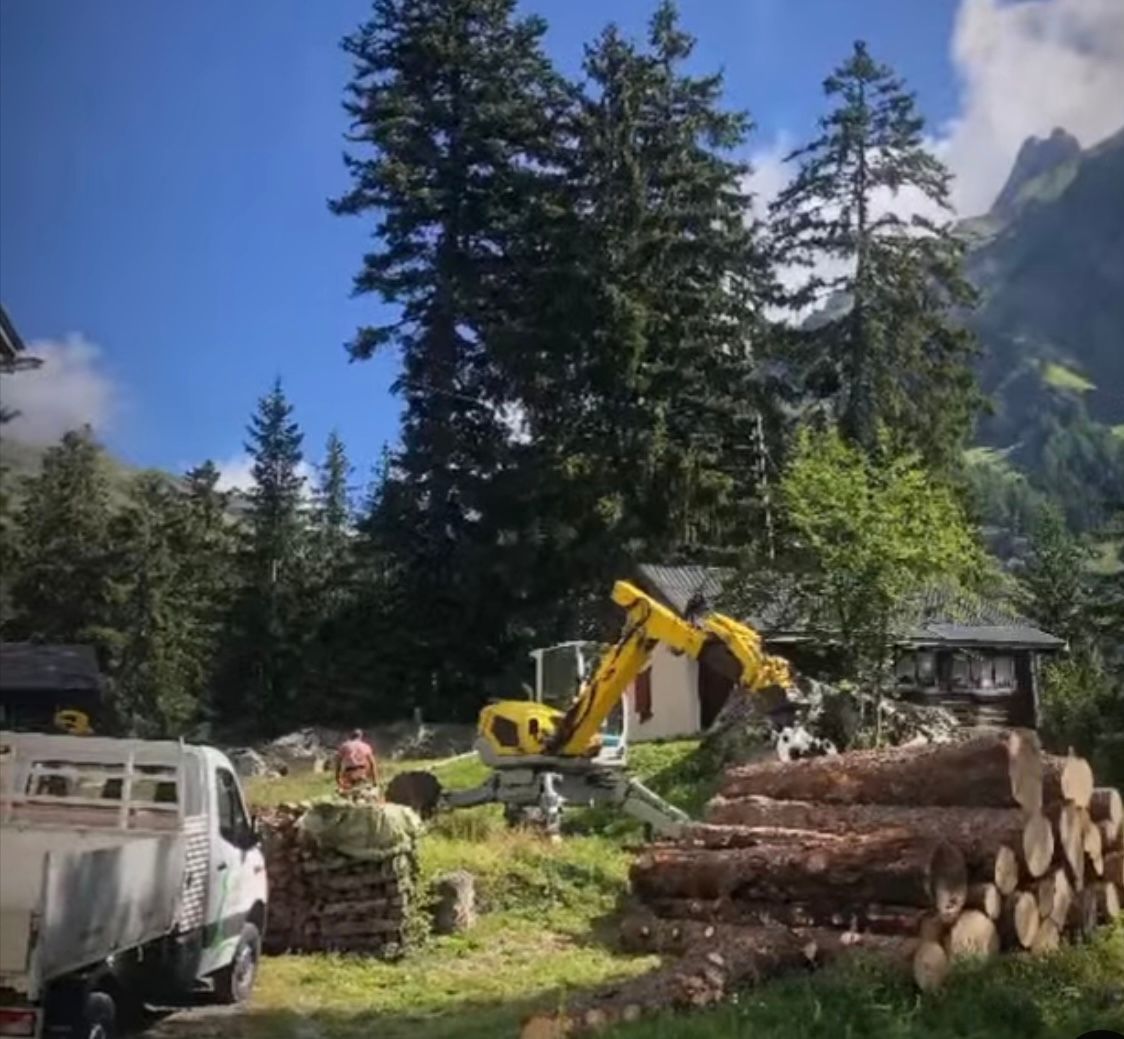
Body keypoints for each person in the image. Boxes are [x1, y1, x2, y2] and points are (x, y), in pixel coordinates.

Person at [335, 729, 380, 795]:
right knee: (365, 792)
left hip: (349, 773)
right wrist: (375, 781)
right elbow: (372, 763)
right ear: (360, 737)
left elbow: (338, 763)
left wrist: (338, 778)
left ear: (350, 736)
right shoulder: (365, 746)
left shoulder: (344, 746)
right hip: (362, 772)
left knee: (346, 793)